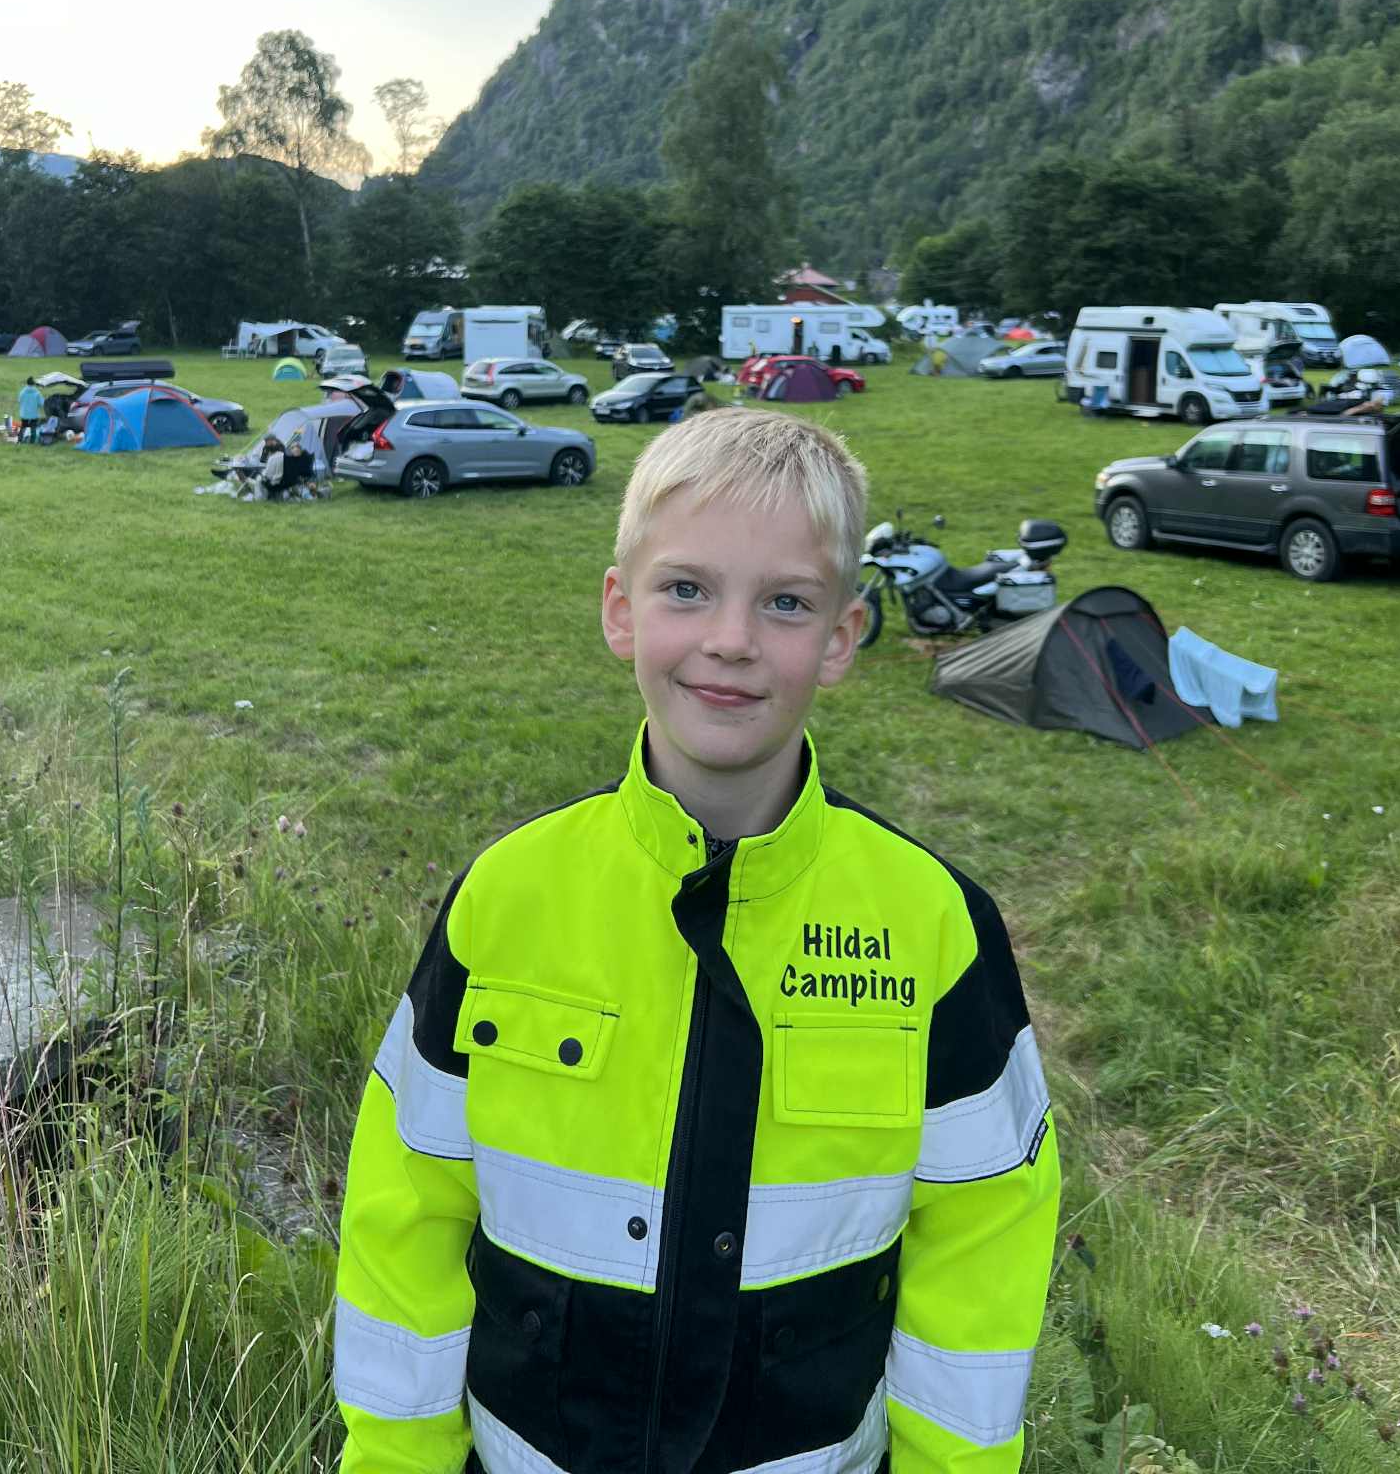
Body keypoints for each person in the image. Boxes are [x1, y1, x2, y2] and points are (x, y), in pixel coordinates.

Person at [334, 407, 1060, 1473]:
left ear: (842, 637)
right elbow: (407, 1215)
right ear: (620, 610)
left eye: (786, 602)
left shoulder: (935, 922)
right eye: (686, 589)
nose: (731, 639)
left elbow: (982, 1255)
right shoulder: (508, 894)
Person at [16, 375, 45, 444]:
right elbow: (42, 403)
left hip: (24, 414)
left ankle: (20, 440)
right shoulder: (37, 393)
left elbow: (19, 400)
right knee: (33, 429)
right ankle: (32, 442)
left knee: (23, 427)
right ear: (33, 384)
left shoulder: (22, 392)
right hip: (34, 414)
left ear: (27, 383)